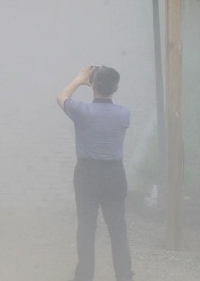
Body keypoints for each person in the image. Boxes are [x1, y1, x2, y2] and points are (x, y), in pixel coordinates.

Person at [56, 65, 133, 281]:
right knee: (118, 228)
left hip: (87, 174)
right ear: (116, 87)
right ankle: (124, 275)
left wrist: (79, 79)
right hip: (115, 174)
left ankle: (84, 275)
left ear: (93, 85)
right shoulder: (124, 113)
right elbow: (111, 107)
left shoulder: (82, 111)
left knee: (86, 228)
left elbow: (61, 97)